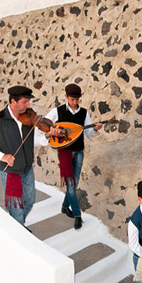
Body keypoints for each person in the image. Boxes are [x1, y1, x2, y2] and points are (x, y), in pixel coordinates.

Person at [0, 86, 62, 227]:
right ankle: (19, 233)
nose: (28, 106)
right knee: (16, 207)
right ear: (13, 101)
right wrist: (1, 156)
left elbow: (30, 142)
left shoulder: (27, 119)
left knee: (28, 202)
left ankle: (16, 227)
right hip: (10, 172)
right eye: (24, 102)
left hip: (27, 169)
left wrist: (47, 135)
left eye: (28, 102)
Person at [45, 83, 103, 230]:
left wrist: (95, 129)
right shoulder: (57, 112)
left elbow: (88, 134)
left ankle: (65, 206)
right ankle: (77, 215)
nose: (75, 102)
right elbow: (45, 124)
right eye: (72, 99)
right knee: (70, 184)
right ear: (66, 97)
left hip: (79, 152)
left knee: (74, 182)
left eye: (77, 100)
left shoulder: (84, 113)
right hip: (65, 152)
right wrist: (53, 130)